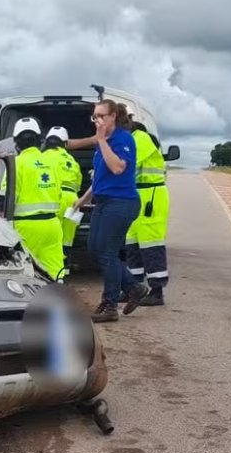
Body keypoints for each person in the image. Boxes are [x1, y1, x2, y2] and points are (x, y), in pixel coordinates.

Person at [71, 100, 149, 322]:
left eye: (102, 116)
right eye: (95, 116)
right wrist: (83, 198)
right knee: (94, 249)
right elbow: (100, 177)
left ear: (114, 116)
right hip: (104, 201)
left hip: (122, 202)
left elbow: (117, 167)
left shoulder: (123, 139)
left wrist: (102, 140)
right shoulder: (103, 142)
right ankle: (134, 288)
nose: (98, 121)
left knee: (107, 252)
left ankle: (110, 305)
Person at [1, 117, 65, 281]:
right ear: (39, 139)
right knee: (55, 270)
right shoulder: (52, 163)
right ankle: (58, 303)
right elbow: (59, 193)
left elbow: (5, 200)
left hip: (26, 228)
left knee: (26, 272)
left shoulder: (16, 163)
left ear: (16, 142)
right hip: (52, 225)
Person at [123, 120, 170, 306]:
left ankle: (157, 292)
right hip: (137, 194)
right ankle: (133, 289)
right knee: (132, 244)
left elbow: (129, 164)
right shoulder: (132, 138)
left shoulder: (140, 138)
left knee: (151, 245)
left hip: (151, 196)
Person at [41, 126, 82, 249]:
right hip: (72, 201)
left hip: (53, 197)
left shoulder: (42, 158)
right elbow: (78, 184)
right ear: (65, 143)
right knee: (67, 240)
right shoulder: (72, 161)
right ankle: (66, 267)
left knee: (52, 240)